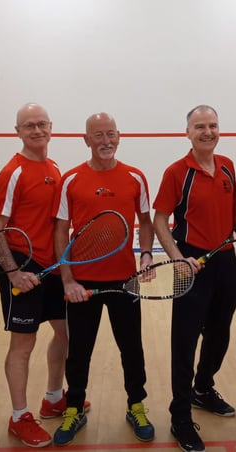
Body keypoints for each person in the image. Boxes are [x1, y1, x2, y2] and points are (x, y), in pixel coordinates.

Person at [0, 103, 90, 448]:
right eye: (28, 126)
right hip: (21, 265)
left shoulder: (53, 167)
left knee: (65, 332)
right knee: (23, 342)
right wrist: (12, 272)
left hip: (50, 266)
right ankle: (19, 417)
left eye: (41, 124)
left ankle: (53, 397)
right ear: (17, 131)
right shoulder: (13, 172)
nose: (36, 130)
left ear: (51, 128)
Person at [51, 112, 155, 446]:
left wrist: (147, 255)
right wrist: (67, 278)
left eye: (110, 134)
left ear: (119, 136)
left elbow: (146, 220)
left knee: (131, 348)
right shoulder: (71, 180)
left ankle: (136, 404)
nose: (105, 141)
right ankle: (73, 407)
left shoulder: (136, 178)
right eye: (98, 135)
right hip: (83, 284)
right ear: (86, 140)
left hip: (125, 281)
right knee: (79, 350)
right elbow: (60, 230)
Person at [153, 105, 236, 452]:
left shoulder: (228, 167)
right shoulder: (177, 172)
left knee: (219, 334)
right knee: (185, 341)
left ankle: (203, 387)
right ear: (187, 132)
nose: (207, 132)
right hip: (191, 263)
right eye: (199, 126)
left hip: (226, 261)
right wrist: (178, 259)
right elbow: (161, 220)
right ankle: (180, 415)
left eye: (213, 125)